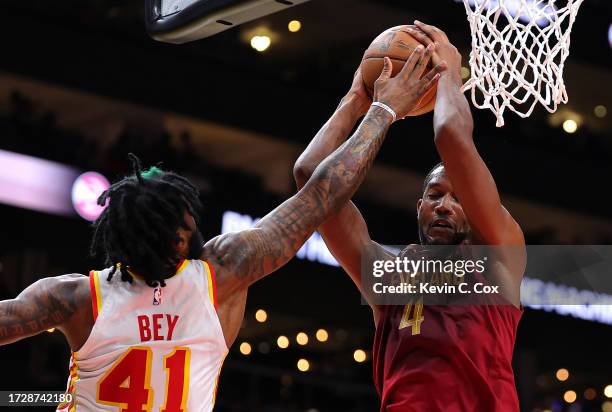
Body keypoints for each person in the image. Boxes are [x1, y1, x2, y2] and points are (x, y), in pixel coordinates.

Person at [0, 45, 445, 412]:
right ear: (184, 235)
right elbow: (321, 196)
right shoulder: (222, 273)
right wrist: (377, 108)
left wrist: (364, 102)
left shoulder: (75, 298)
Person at [293, 21, 526, 412]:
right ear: (419, 207)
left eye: (458, 198)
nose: (444, 205)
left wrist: (451, 70)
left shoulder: (500, 257)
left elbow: (451, 134)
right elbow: (309, 175)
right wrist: (358, 96)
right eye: (435, 195)